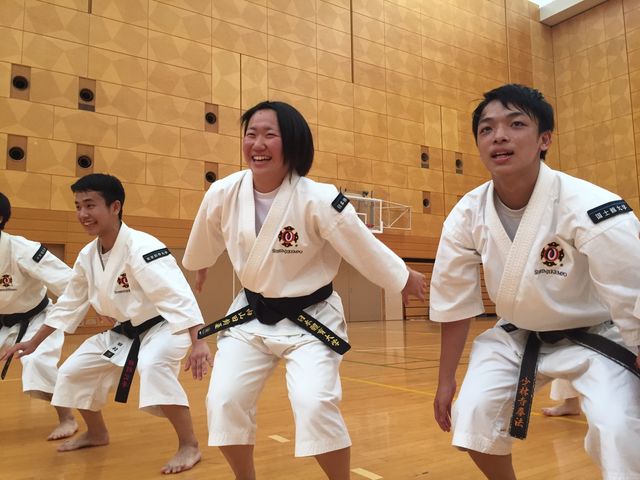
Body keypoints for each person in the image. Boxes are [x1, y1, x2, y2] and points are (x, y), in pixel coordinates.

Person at [182, 100, 427, 480]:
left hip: (311, 319)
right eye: (251, 134)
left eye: (269, 135)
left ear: (293, 142)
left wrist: (402, 277)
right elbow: (206, 235)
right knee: (223, 401)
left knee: (314, 404)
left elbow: (362, 245)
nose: (257, 144)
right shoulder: (224, 192)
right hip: (251, 315)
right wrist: (201, 262)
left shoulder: (320, 198)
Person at [429, 84, 640, 479]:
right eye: (487, 129)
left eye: (516, 124)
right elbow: (453, 301)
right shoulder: (466, 214)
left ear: (545, 139)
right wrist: (445, 380)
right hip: (518, 334)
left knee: (620, 430)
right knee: (472, 415)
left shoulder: (590, 205)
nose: (499, 136)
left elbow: (631, 286)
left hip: (598, 334)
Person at [1, 174, 212, 475]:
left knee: (153, 366)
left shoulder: (141, 247)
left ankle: (189, 445)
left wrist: (198, 341)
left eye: (90, 205)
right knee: (72, 372)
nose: (82, 214)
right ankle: (97, 433)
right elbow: (70, 302)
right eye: (78, 206)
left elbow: (177, 295)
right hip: (122, 332)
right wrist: (33, 342)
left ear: (115, 207)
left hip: (163, 327)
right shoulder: (88, 255)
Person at [0, 192, 77, 440]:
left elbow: (71, 283)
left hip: (36, 317)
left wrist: (102, 308)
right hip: (2, 321)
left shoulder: (23, 249)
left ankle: (68, 418)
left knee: (37, 363)